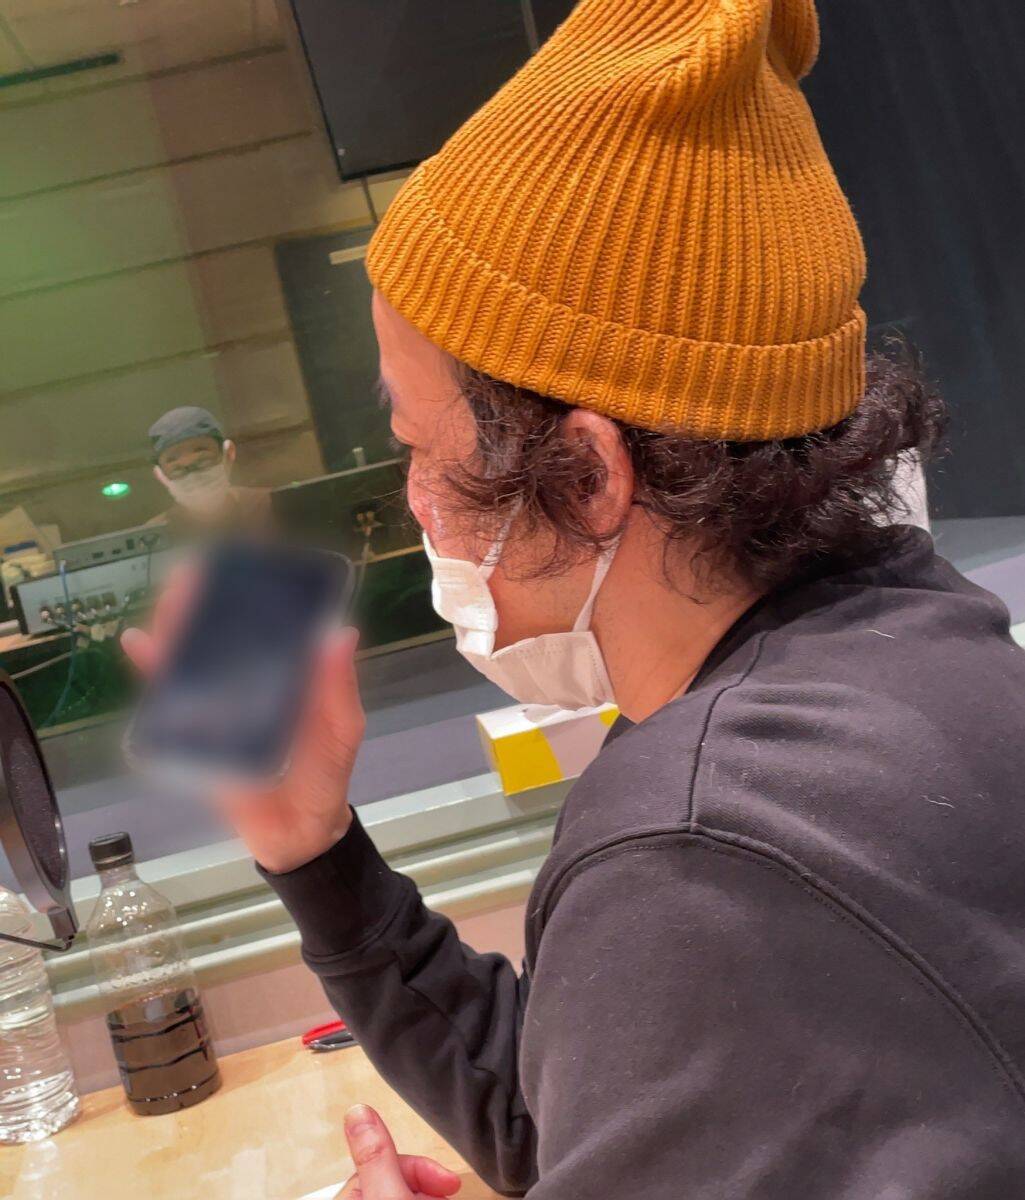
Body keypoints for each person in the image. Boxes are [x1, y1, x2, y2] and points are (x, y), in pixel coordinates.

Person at [126, 1, 1025, 1196]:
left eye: (416, 445)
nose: (413, 500)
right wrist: (317, 856)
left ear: (589, 475)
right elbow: (581, 1117)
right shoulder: (916, 640)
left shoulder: (701, 851)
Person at [146, 406, 270, 532]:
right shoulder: (154, 534)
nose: (193, 477)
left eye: (203, 461)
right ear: (161, 476)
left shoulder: (267, 506)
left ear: (228, 454)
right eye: (177, 469)